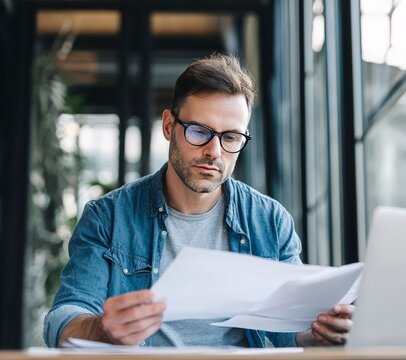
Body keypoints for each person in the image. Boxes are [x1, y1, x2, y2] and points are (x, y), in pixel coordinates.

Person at [43, 54, 354, 348]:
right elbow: (63, 319)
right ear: (169, 126)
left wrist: (320, 333)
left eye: (230, 137)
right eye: (199, 131)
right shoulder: (108, 217)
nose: (214, 152)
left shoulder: (270, 220)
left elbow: (292, 330)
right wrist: (100, 329)